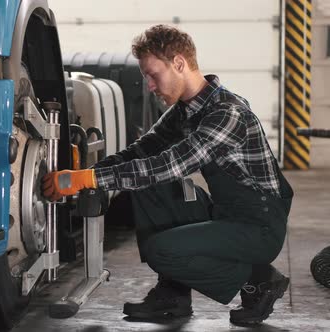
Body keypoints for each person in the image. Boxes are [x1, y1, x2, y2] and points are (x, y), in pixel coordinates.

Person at [42, 24, 293, 325]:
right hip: (227, 214)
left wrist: (85, 180)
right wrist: (85, 174)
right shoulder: (187, 110)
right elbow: (141, 152)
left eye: (152, 74)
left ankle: (259, 280)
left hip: (258, 228)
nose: (149, 84)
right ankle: (173, 296)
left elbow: (170, 165)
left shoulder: (228, 113)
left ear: (178, 63)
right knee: (148, 185)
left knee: (161, 249)